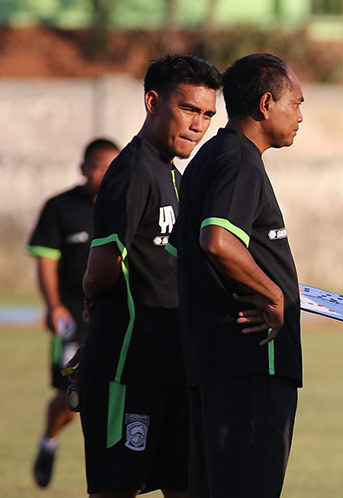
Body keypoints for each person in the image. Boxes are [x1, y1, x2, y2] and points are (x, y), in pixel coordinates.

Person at [78, 55, 220, 497]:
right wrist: (90, 299)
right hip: (127, 364)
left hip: (172, 363)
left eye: (208, 115)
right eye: (189, 109)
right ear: (153, 101)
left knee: (183, 484)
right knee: (118, 486)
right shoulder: (131, 172)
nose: (199, 125)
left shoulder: (172, 175)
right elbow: (101, 272)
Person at [174, 53, 304, 498]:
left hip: (214, 363)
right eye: (297, 104)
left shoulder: (210, 156)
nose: (301, 116)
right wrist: (275, 296)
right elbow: (218, 240)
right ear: (267, 104)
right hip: (252, 363)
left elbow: (187, 253)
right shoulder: (240, 160)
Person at [27, 138, 119, 488]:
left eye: (112, 168)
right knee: (71, 396)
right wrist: (54, 306)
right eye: (97, 168)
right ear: (82, 168)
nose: (104, 175)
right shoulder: (60, 207)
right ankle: (49, 442)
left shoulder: (126, 204)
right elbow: (46, 261)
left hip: (114, 320)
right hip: (73, 322)